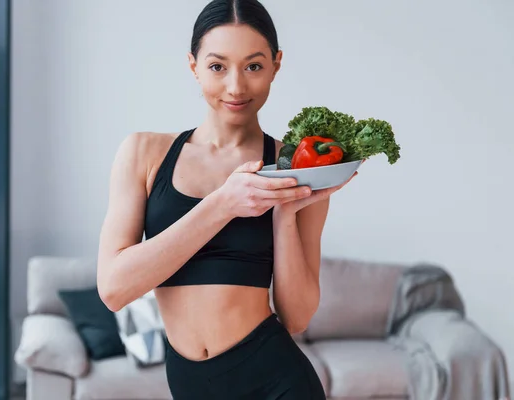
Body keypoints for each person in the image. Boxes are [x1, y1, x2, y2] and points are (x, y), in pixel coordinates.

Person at [97, 0, 357, 398]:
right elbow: (114, 289)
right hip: (191, 387)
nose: (236, 86)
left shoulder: (297, 165)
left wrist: (285, 211)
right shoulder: (143, 154)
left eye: (253, 66)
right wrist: (223, 204)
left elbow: (298, 316)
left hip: (277, 381)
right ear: (193, 66)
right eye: (218, 66)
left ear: (276, 64)